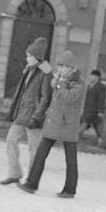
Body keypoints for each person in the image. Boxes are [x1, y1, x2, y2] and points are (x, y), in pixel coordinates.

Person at [17, 49, 86, 198]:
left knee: (70, 159)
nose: (59, 69)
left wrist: (59, 85)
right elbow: (54, 98)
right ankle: (31, 183)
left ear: (70, 68)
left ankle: (69, 189)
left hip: (68, 125)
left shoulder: (78, 82)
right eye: (59, 66)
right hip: (54, 122)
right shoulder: (59, 79)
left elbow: (69, 97)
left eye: (62, 66)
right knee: (40, 154)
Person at [0, 37, 53, 185]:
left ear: (37, 57)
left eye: (29, 55)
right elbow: (21, 94)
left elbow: (45, 98)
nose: (26, 57)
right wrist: (13, 111)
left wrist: (37, 117)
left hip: (34, 118)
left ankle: (32, 180)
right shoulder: (28, 71)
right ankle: (14, 173)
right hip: (22, 114)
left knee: (34, 150)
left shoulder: (45, 72)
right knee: (11, 140)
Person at [79, 69, 106, 145]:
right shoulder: (89, 85)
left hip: (94, 110)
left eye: (93, 76)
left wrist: (101, 111)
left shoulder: (101, 87)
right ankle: (100, 140)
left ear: (97, 77)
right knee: (96, 126)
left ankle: (75, 137)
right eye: (91, 75)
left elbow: (101, 99)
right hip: (88, 109)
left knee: (84, 123)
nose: (91, 77)